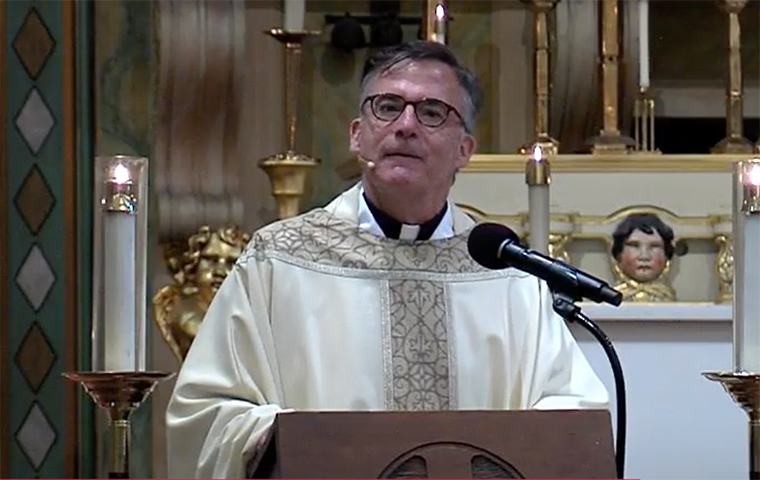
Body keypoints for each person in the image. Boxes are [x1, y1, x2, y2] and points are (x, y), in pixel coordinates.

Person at [165, 40, 609, 479]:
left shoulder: (505, 271)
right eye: (388, 106)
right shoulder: (279, 260)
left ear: (464, 150)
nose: (406, 125)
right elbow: (207, 412)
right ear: (358, 135)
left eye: (432, 112)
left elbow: (571, 414)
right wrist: (297, 438)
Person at [611, 212, 677, 302]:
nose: (644, 256)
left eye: (654, 247)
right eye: (634, 246)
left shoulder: (667, 297)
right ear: (619, 255)